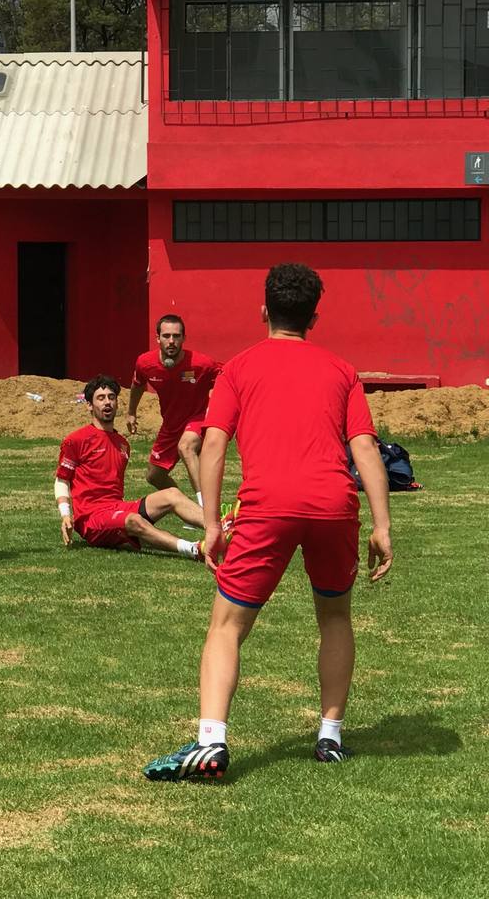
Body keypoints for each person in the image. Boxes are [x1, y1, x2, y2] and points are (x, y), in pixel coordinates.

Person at [143, 263, 393, 783]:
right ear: (314, 317)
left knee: (227, 627)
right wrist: (382, 524)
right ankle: (330, 736)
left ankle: (211, 742)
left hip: (267, 507)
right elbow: (365, 449)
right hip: (333, 506)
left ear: (264, 311)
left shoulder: (238, 367)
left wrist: (211, 523)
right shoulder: (342, 370)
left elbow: (212, 444)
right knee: (335, 618)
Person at [56, 375, 208, 561]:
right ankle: (194, 549)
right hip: (91, 518)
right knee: (134, 520)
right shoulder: (76, 440)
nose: (107, 402)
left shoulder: (122, 444)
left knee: (172, 494)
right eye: (101, 398)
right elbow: (62, 479)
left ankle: (223, 529)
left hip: (117, 508)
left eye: (111, 397)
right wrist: (65, 515)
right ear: (89, 405)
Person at [126, 315, 222, 505]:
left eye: (176, 336)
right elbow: (137, 385)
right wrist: (131, 412)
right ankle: (189, 509)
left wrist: (216, 398)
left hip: (198, 417)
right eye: (166, 336)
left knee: (185, 447)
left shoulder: (200, 363)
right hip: (171, 424)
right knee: (154, 475)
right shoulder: (145, 363)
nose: (171, 341)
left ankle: (207, 511)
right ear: (157, 338)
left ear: (184, 338)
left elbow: (226, 375)